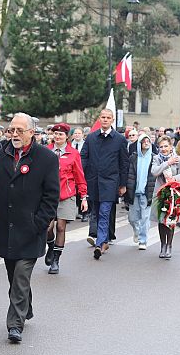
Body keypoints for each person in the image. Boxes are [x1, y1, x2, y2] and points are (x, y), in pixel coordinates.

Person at [0, 113, 59, 343]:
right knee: (13, 276)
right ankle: (26, 307)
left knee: (21, 276)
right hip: (6, 227)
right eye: (11, 130)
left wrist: (39, 223)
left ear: (32, 132)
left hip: (31, 230)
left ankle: (15, 324)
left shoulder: (47, 158)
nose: (13, 134)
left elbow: (52, 196)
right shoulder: (1, 154)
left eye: (19, 130)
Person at [81, 109, 128, 259]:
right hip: (93, 181)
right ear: (99, 119)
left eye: (108, 117)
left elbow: (124, 164)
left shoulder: (119, 139)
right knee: (95, 211)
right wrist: (81, 178)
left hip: (110, 182)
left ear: (112, 120)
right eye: (103, 117)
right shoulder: (91, 138)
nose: (105, 120)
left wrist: (123, 184)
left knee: (104, 212)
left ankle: (99, 244)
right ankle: (105, 240)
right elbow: (84, 158)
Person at [45, 123, 87, 274]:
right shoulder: (46, 151)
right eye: (55, 134)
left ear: (66, 137)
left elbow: (79, 176)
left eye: (60, 134)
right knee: (47, 228)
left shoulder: (73, 153)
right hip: (48, 195)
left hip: (66, 195)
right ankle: (50, 246)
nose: (57, 137)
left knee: (61, 227)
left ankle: (55, 260)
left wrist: (83, 196)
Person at [151, 136, 180, 259]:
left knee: (171, 220)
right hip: (161, 193)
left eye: (166, 146)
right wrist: (167, 162)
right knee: (162, 220)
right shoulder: (157, 158)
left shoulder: (179, 159)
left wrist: (175, 179)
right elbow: (154, 172)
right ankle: (162, 245)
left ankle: (169, 245)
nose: (163, 149)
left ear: (171, 146)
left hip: (174, 193)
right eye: (161, 146)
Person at [126, 133, 156, 250]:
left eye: (148, 141)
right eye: (144, 141)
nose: (146, 143)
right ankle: (137, 231)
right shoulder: (133, 158)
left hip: (147, 192)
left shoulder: (154, 158)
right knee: (132, 218)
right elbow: (129, 174)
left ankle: (143, 240)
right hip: (134, 192)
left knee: (145, 218)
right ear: (139, 144)